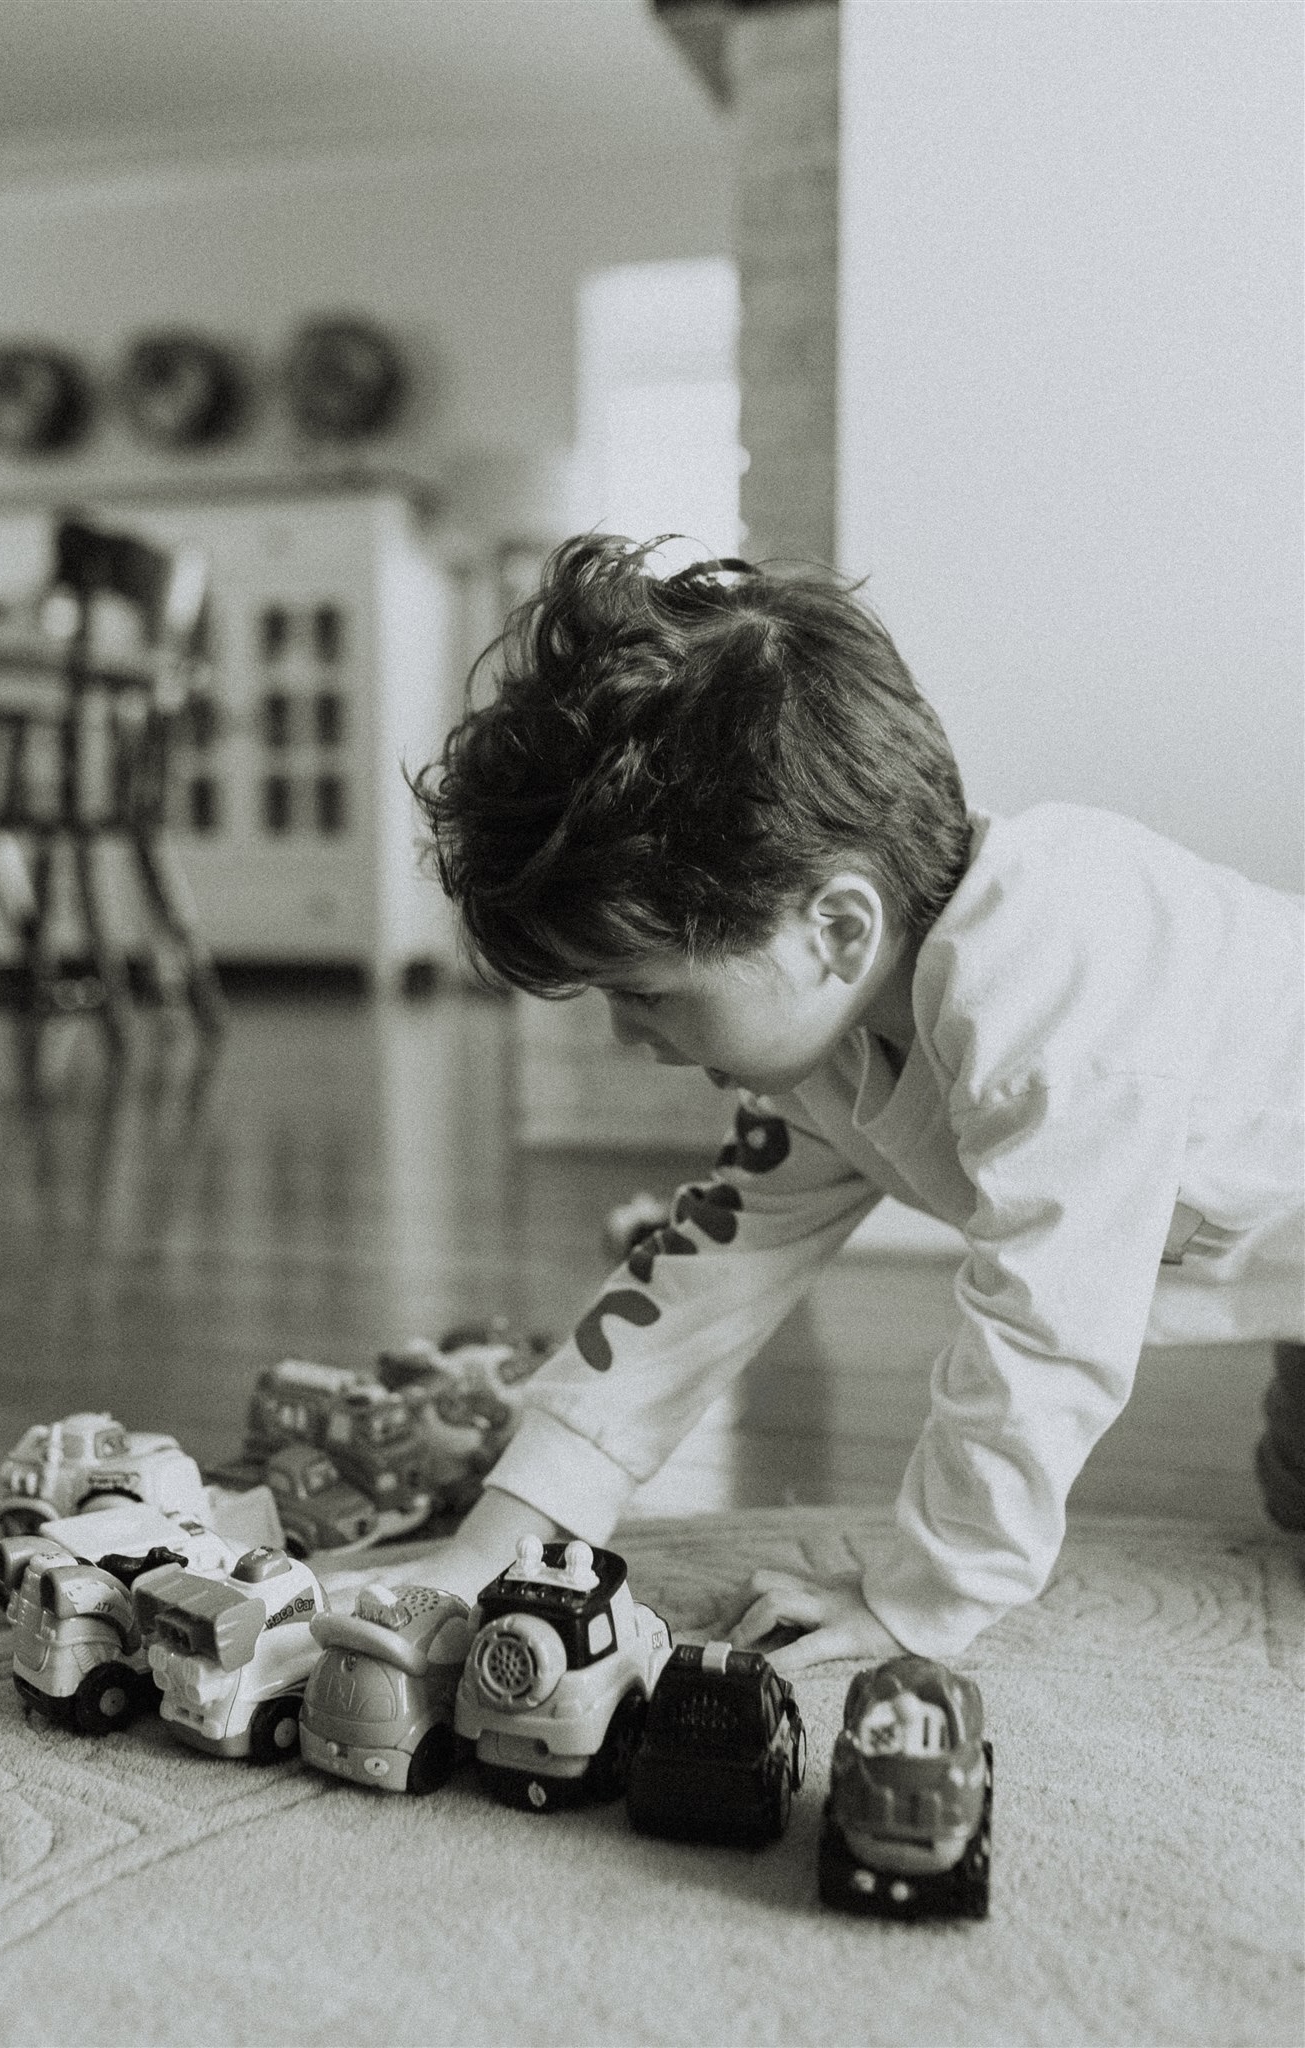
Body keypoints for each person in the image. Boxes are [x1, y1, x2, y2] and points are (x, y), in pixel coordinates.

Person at [404, 534, 1305, 1670]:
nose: (630, 1037)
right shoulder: (831, 1049)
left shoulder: (1061, 1006)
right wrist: (505, 1532)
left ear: (836, 928)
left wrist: (920, 1598)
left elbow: (1044, 1338)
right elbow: (699, 1276)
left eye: (644, 992)